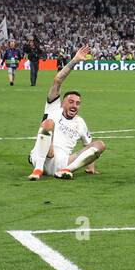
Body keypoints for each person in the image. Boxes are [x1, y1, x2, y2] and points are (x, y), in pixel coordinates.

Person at [27, 45, 106, 179]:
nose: (74, 105)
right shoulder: (53, 109)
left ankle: (65, 170)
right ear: (62, 103)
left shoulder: (80, 123)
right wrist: (75, 60)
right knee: (48, 123)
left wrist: (90, 168)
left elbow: (88, 147)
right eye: (71, 102)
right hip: (44, 155)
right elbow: (57, 81)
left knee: (100, 145)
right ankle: (38, 170)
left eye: (77, 103)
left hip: (63, 162)